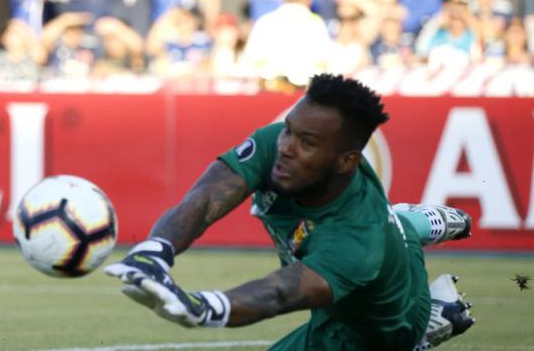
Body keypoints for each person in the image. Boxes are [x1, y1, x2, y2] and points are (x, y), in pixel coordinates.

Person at [105, 74, 475, 351]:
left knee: (382, 263)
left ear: (347, 160)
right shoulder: (278, 143)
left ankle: (430, 321)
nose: (286, 147)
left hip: (368, 331)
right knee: (393, 230)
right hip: (383, 248)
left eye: (307, 142)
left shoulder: (357, 238)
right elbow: (204, 199)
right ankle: (412, 223)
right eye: (289, 131)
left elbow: (281, 294)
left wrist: (206, 307)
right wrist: (156, 250)